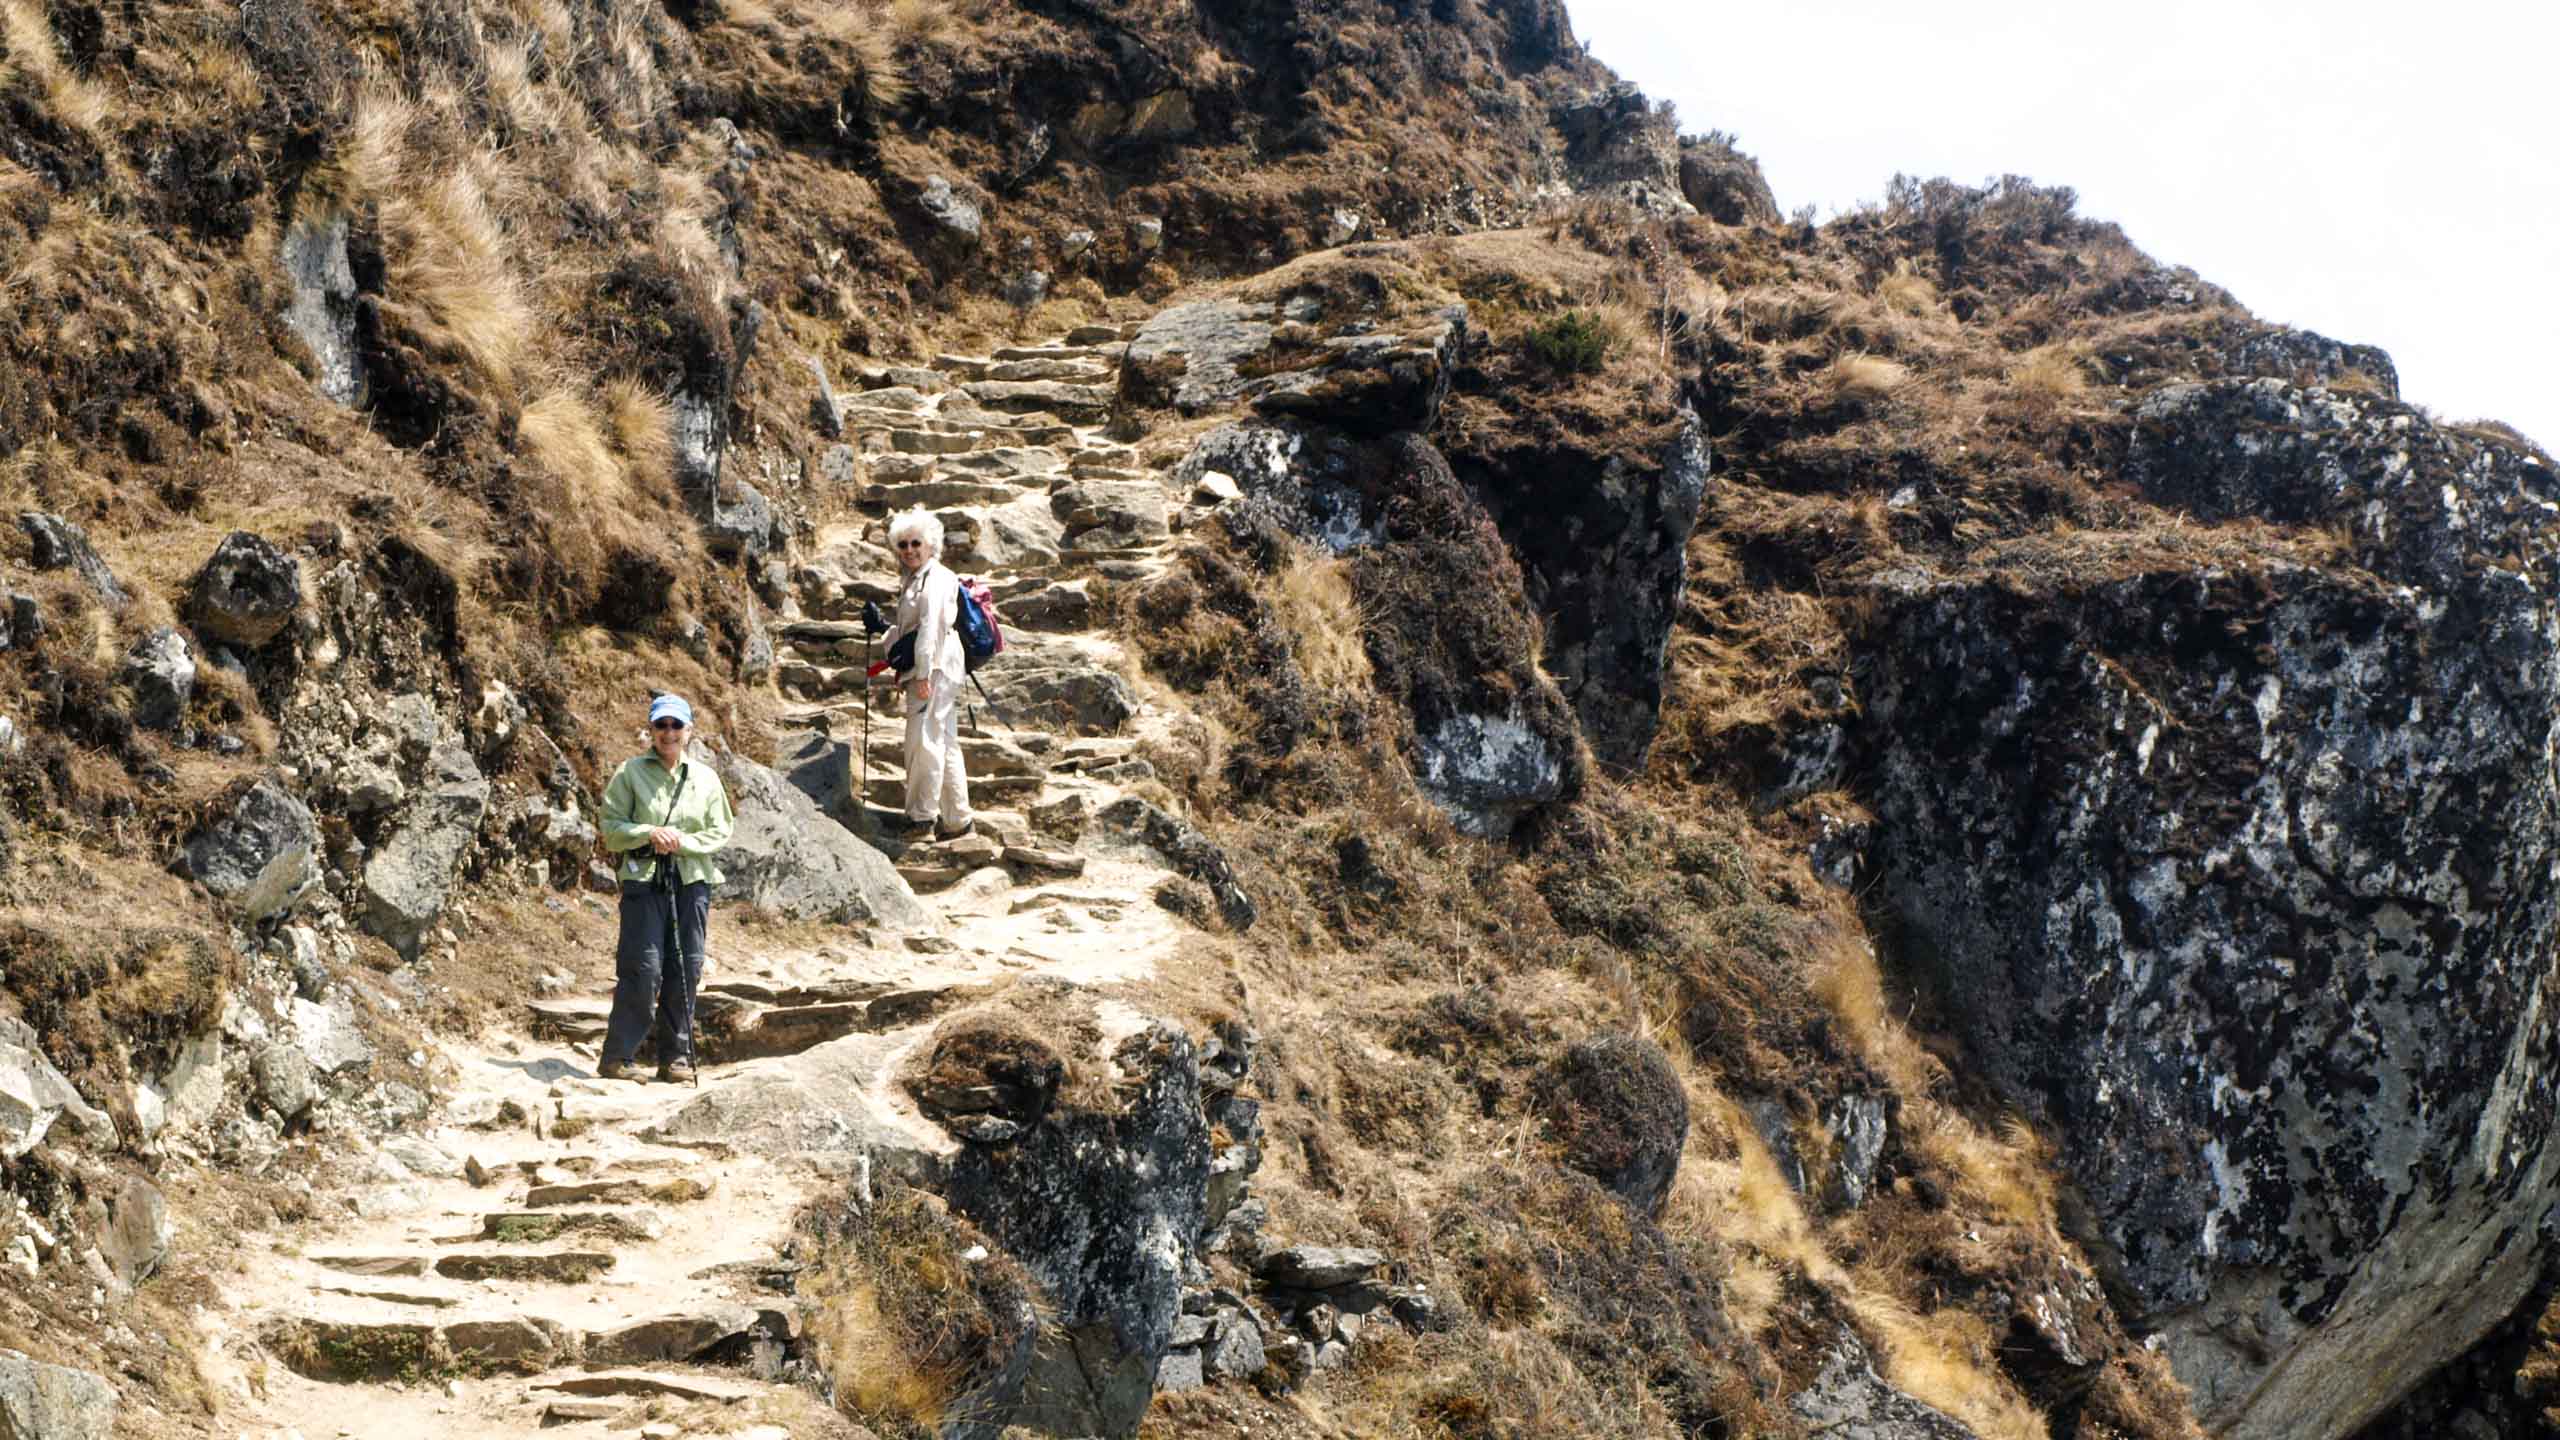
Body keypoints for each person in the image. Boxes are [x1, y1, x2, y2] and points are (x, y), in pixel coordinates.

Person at [597, 693, 734, 1084]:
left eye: (677, 725)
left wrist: (682, 842)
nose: (669, 732)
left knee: (687, 967)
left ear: (689, 731)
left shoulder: (706, 779)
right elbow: (612, 829)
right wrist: (647, 832)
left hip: (691, 882)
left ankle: (675, 1058)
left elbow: (720, 830)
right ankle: (618, 1057)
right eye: (662, 725)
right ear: (651, 730)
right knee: (643, 969)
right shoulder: (630, 773)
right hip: (644, 883)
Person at [877, 509, 974, 839]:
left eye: (915, 542)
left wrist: (923, 673)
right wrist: (884, 631)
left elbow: (931, 627)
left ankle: (921, 820)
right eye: (902, 544)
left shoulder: (936, 579)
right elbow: (913, 628)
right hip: (939, 668)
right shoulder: (916, 579)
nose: (909, 550)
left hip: (934, 669)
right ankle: (959, 820)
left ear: (930, 544)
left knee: (923, 742)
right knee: (943, 741)